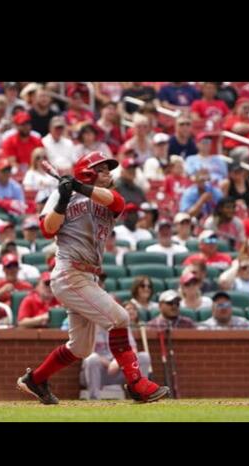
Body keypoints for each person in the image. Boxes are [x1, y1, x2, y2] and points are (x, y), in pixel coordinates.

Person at [17, 150, 170, 404]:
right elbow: (47, 229)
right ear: (88, 172)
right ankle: (136, 384)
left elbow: (116, 203)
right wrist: (63, 198)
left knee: (81, 348)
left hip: (89, 277)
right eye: (102, 169)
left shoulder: (109, 196)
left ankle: (36, 380)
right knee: (120, 318)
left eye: (108, 170)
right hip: (69, 272)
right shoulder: (60, 194)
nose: (108, 173)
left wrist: (78, 187)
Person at [80, 301, 152, 400]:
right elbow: (86, 352)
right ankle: (94, 398)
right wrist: (108, 363)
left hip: (120, 370)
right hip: (98, 371)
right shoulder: (90, 326)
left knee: (144, 357)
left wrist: (118, 362)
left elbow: (133, 349)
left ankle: (141, 394)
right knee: (92, 359)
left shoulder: (122, 325)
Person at [0, 253, 34, 324]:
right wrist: (1, 291)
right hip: (2, 320)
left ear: (18, 268)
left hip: (24, 318)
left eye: (15, 266)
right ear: (4, 269)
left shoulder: (27, 286)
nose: (12, 270)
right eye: (9, 267)